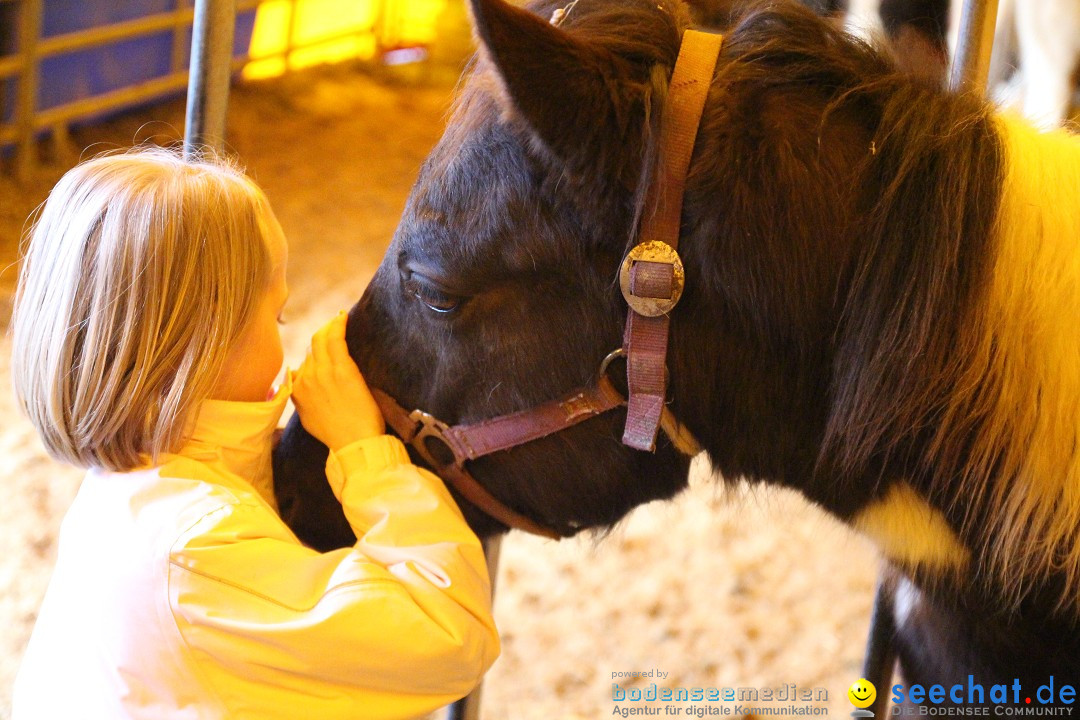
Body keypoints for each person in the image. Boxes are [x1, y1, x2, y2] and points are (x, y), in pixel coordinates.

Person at [8, 147, 500, 720]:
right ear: (203, 346)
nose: (285, 336)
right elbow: (449, 637)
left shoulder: (131, 490)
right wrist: (365, 454)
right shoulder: (195, 551)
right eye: (276, 317)